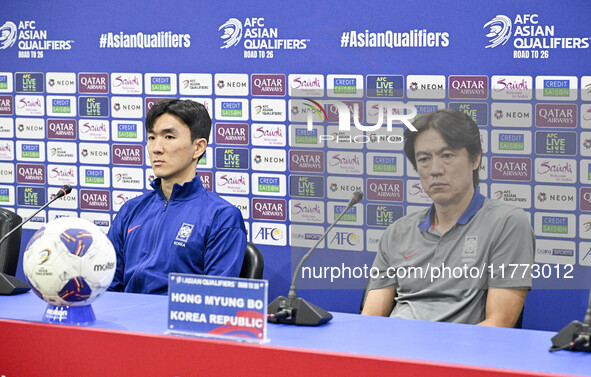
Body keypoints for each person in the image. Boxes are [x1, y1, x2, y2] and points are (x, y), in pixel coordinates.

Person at [361, 108, 534, 327]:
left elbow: (499, 324)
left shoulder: (506, 223)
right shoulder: (397, 232)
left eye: (447, 156)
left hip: (458, 354)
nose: (435, 170)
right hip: (396, 350)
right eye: (424, 159)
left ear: (475, 159)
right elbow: (369, 321)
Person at [108, 99, 246, 294]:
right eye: (151, 138)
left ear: (198, 148)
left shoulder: (222, 216)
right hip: (123, 322)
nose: (156, 148)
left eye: (169, 137)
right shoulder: (130, 210)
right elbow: (107, 286)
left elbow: (215, 299)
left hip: (178, 322)